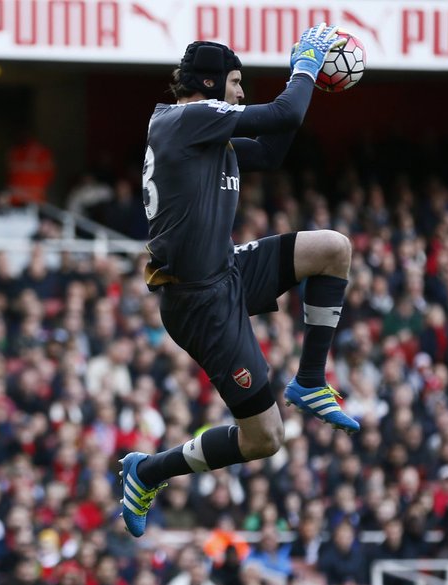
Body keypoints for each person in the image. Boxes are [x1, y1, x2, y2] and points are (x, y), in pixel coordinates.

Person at [118, 25, 358, 539]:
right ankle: (148, 471)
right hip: (198, 300)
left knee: (333, 248)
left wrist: (306, 81)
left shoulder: (201, 130)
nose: (242, 93)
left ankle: (310, 380)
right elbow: (284, 114)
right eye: (235, 81)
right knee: (264, 439)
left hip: (224, 272)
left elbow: (271, 151)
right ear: (208, 85)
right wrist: (305, 67)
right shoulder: (187, 119)